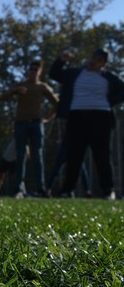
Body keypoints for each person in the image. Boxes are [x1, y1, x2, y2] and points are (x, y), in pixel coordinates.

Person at [50, 48, 124, 199]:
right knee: (74, 155)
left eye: (99, 60)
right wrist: (61, 60)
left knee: (102, 155)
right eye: (93, 57)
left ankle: (108, 190)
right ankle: (67, 190)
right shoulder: (74, 73)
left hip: (101, 117)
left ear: (103, 64)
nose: (94, 61)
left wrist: (110, 101)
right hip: (77, 116)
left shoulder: (109, 77)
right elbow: (54, 74)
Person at [0, 60, 58, 198]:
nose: (32, 72)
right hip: (21, 123)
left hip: (36, 123)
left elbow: (56, 103)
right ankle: (19, 188)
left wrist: (47, 118)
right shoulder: (21, 85)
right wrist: (14, 91)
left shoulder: (42, 87)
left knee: (37, 155)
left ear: (40, 72)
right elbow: (3, 97)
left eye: (35, 69)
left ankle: (40, 189)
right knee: (20, 156)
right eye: (31, 69)